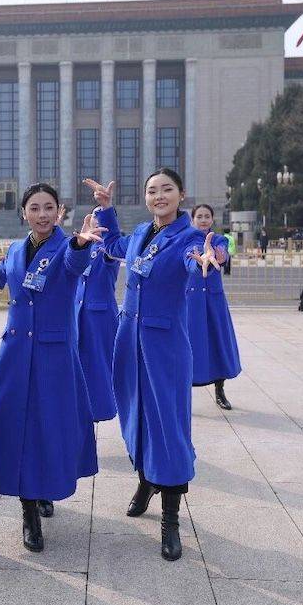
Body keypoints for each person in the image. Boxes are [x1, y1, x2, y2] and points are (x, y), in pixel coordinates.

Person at [86, 171, 218, 562]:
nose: (159, 196)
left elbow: (198, 258)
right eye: (152, 191)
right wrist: (106, 211)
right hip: (129, 340)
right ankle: (146, 480)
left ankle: (170, 520)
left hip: (165, 347)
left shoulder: (188, 237)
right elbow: (114, 245)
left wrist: (208, 259)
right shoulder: (143, 232)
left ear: (181, 195)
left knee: (168, 426)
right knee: (135, 417)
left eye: (167, 190)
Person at [0, 183, 103, 553]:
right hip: (16, 351)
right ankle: (28, 509)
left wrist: (81, 245)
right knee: (13, 424)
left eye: (49, 207)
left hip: (53, 355)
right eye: (34, 208)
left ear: (59, 211)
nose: (42, 214)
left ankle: (44, 487)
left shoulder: (67, 246)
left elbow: (74, 266)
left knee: (49, 424)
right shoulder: (17, 249)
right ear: (24, 213)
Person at [187, 205, 241, 410]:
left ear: (212, 219)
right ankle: (184, 393)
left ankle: (220, 391)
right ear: (192, 219)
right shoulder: (185, 240)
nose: (203, 220)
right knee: (188, 346)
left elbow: (222, 254)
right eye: (199, 216)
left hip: (213, 301)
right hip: (190, 301)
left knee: (217, 342)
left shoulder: (219, 240)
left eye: (207, 216)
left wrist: (219, 257)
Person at [74, 207, 121, 424]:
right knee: (79, 366)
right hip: (77, 314)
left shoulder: (109, 248)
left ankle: (99, 410)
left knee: (99, 366)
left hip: (100, 317)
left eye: (102, 216)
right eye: (95, 215)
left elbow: (112, 257)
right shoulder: (80, 245)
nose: (97, 219)